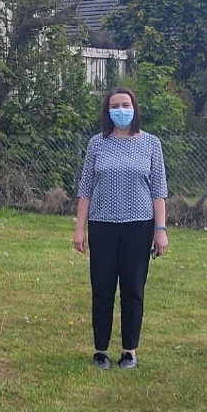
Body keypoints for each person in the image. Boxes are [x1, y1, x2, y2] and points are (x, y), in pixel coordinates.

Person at [72, 86, 168, 371]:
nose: (121, 110)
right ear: (107, 111)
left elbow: (158, 190)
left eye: (126, 104)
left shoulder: (151, 144)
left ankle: (129, 351)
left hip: (139, 226)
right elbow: (85, 188)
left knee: (133, 289)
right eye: (115, 105)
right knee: (102, 289)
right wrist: (80, 229)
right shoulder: (97, 144)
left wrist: (160, 229)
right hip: (102, 226)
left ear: (135, 108)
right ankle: (100, 350)